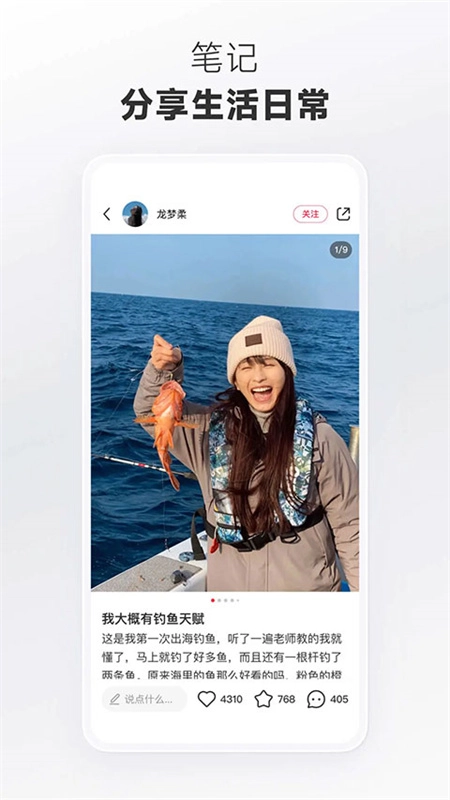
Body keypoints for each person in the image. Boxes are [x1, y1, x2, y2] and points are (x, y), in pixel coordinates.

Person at [134, 316, 359, 592]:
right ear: (236, 381)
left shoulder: (322, 439)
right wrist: (166, 371)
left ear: (287, 372)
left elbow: (352, 528)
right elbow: (150, 412)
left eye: (269, 363)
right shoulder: (206, 432)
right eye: (246, 366)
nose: (258, 376)